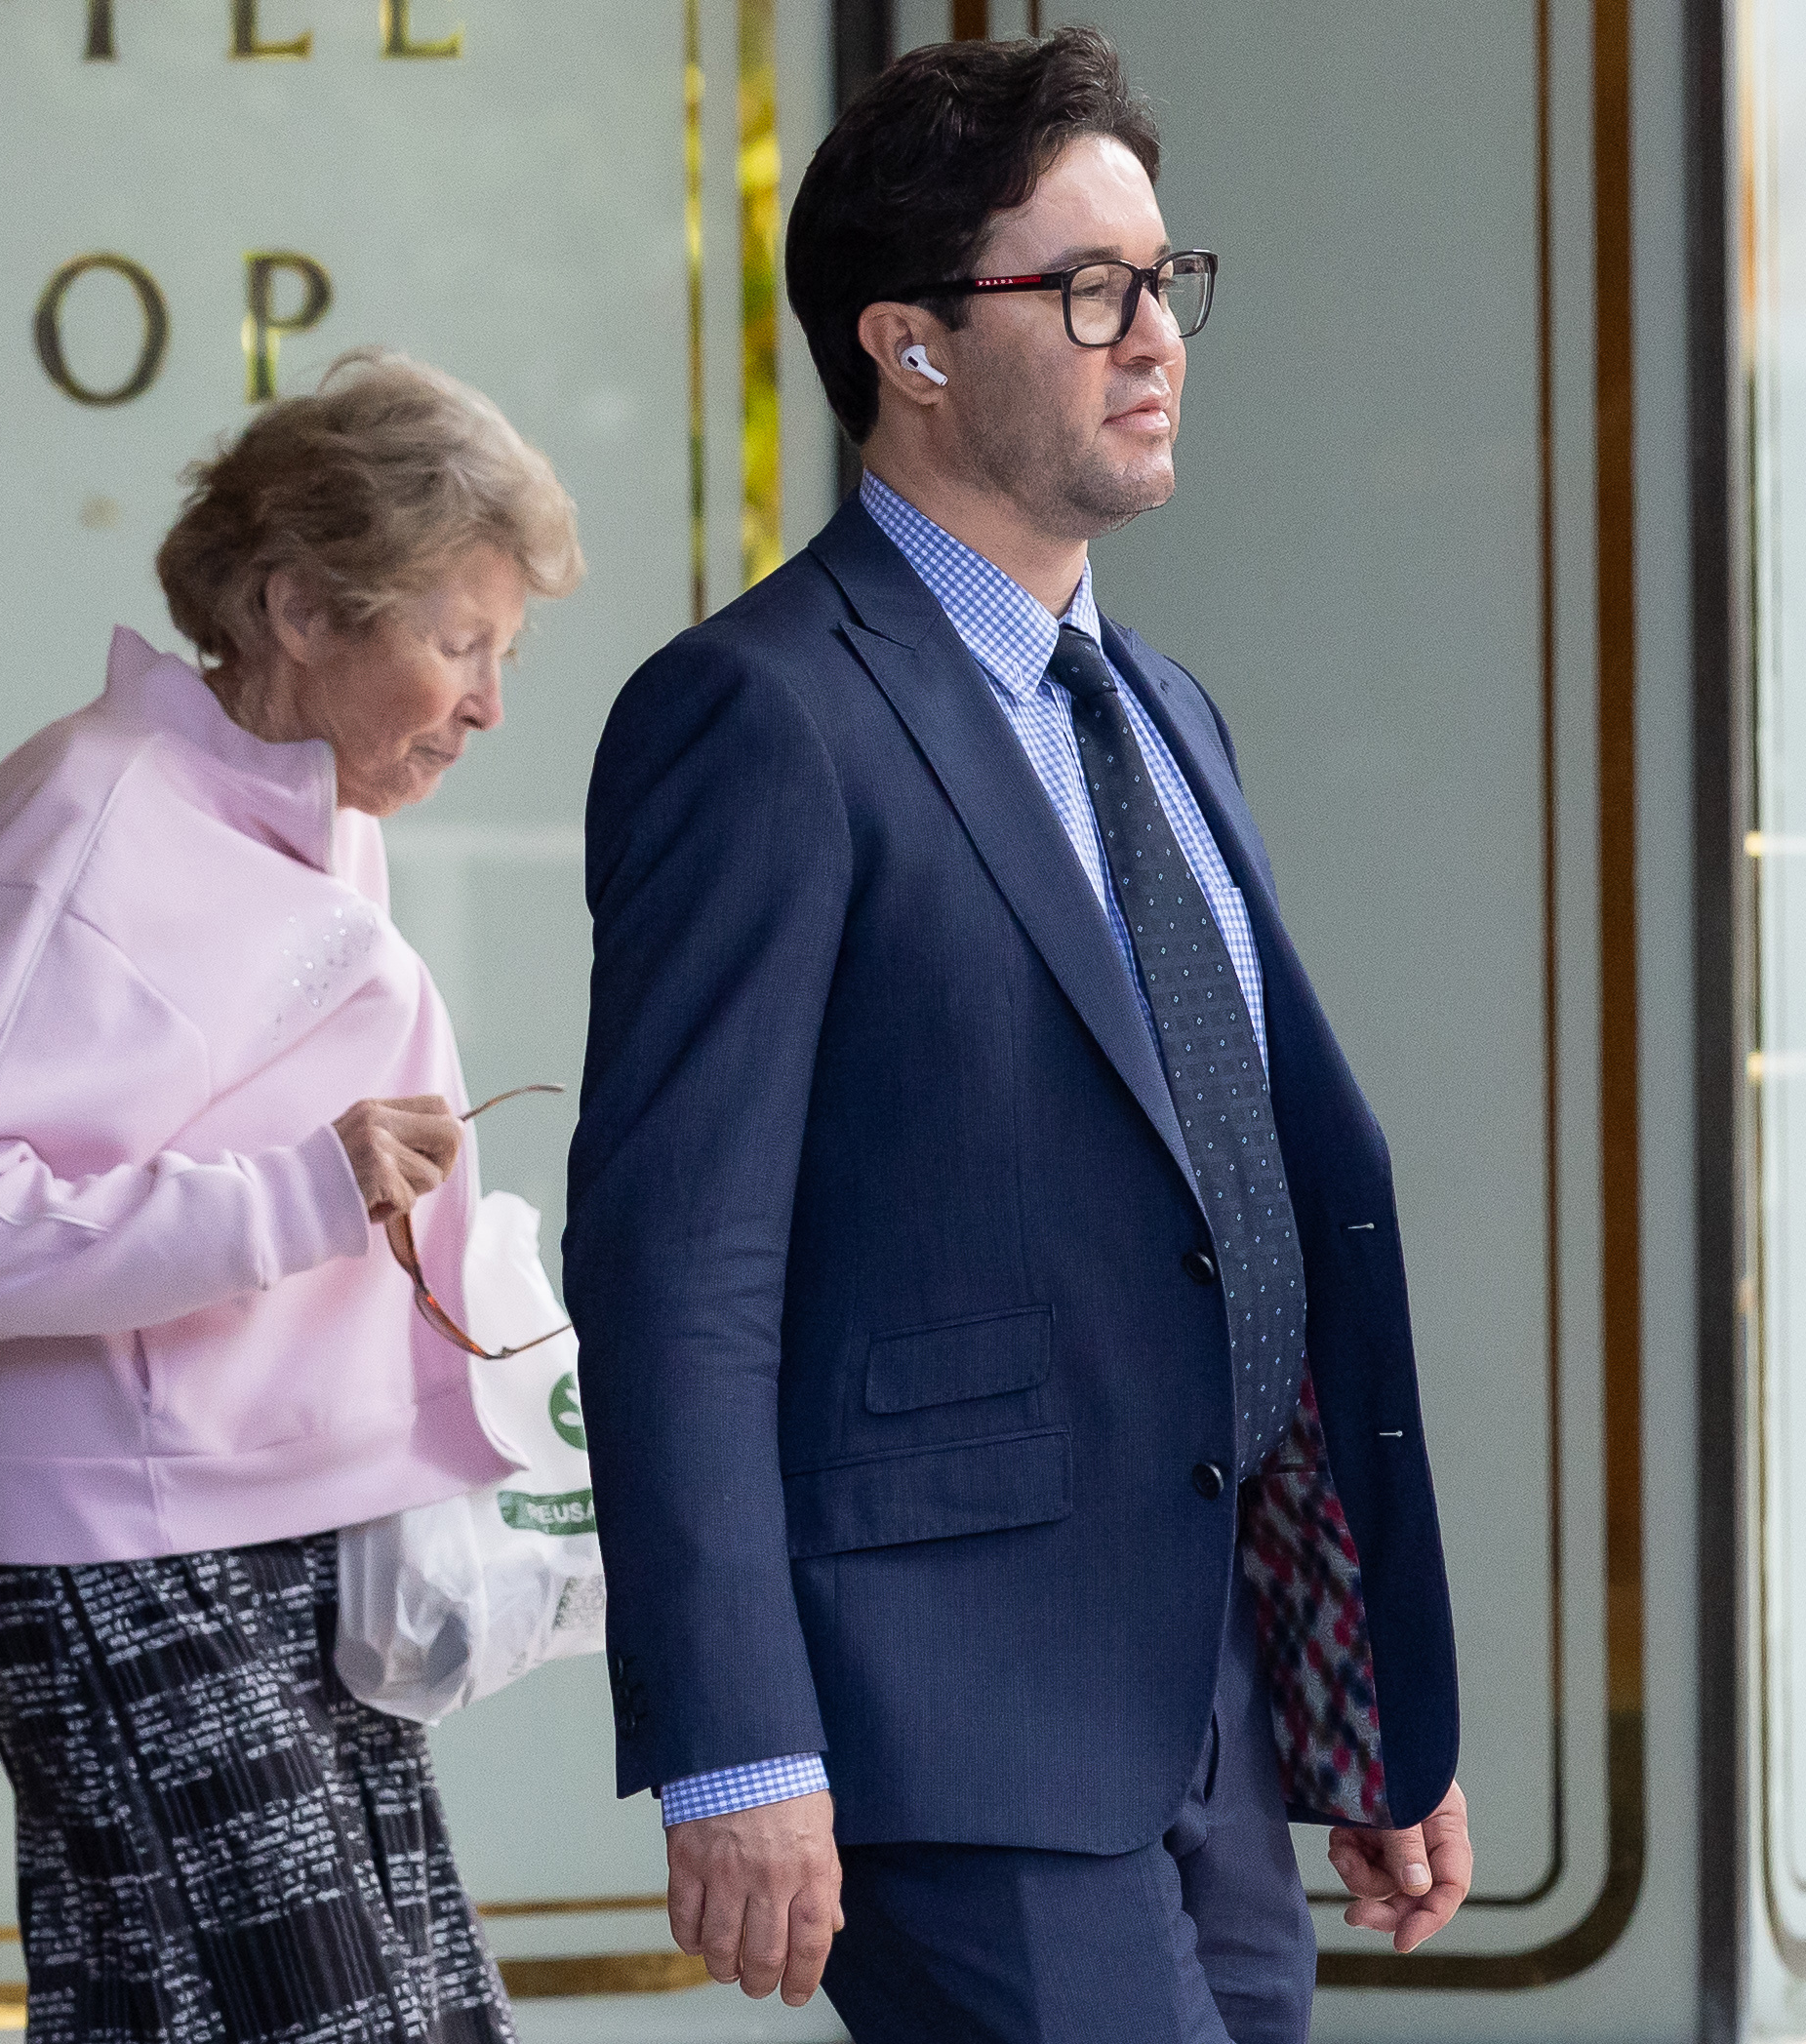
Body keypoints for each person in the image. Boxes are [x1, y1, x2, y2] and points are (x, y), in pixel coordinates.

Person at [565, 30, 1470, 2042]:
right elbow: (675, 1265)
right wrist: (734, 1741)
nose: (1153, 335)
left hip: (1219, 1709)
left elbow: (1245, 1192)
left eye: (1164, 281)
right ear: (909, 342)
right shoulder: (759, 718)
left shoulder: (1165, 713)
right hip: (948, 1715)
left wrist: (1356, 1683)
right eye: (1086, 289)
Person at [0, 349, 583, 2044]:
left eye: (502, 654)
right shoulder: (92, 830)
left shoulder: (294, 819)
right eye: (457, 646)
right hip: (140, 1546)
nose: (486, 706)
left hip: (268, 1537)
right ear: (298, 605)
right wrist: (295, 1201)